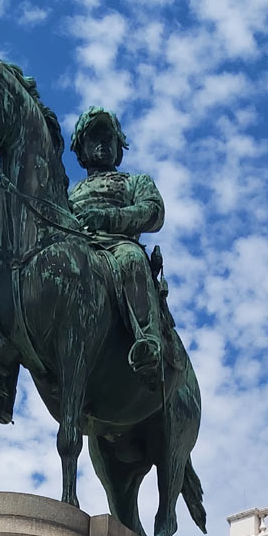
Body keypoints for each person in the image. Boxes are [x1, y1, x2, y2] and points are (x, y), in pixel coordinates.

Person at [68, 106, 166, 378]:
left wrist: (108, 218)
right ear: (82, 149)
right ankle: (4, 378)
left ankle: (148, 341)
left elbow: (153, 211)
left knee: (132, 258)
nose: (103, 142)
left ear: (118, 147)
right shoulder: (70, 192)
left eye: (108, 137)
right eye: (94, 136)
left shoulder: (135, 181)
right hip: (78, 249)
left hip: (117, 247)